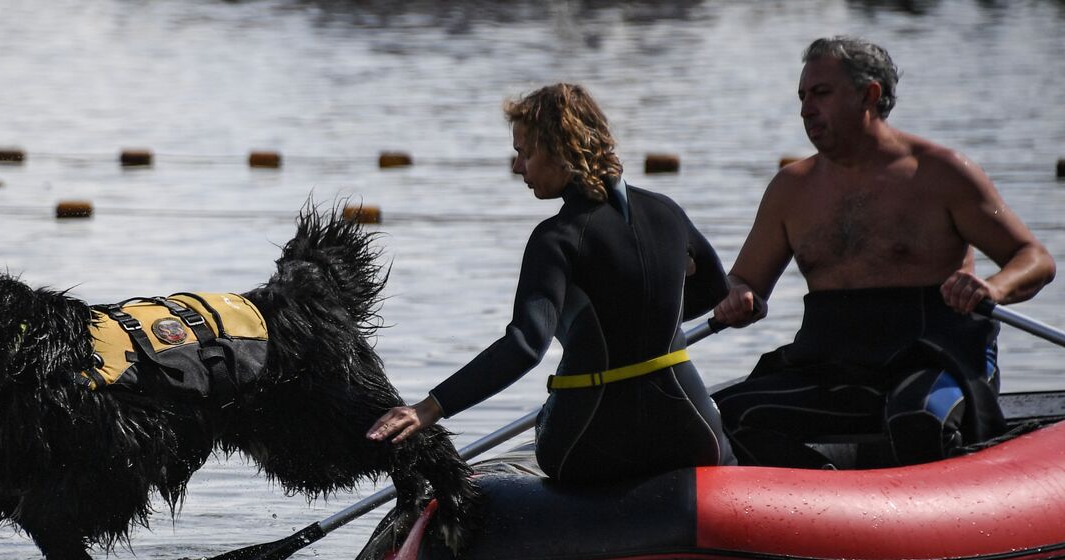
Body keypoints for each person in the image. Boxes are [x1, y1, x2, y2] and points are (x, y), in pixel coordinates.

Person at [712, 37, 1056, 468]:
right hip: (833, 364)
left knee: (917, 419)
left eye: (821, 93)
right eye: (802, 96)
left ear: (869, 95)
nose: (805, 110)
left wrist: (992, 287)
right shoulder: (790, 189)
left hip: (934, 356)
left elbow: (1034, 258)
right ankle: (828, 502)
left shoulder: (941, 172)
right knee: (713, 419)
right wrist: (736, 294)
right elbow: (744, 279)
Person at [367, 83, 733, 485]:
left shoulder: (557, 238)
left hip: (591, 440)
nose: (517, 167)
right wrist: (646, 320)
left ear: (562, 152)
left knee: (556, 431)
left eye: (525, 153)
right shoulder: (667, 212)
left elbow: (525, 346)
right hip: (692, 431)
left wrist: (429, 408)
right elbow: (715, 290)